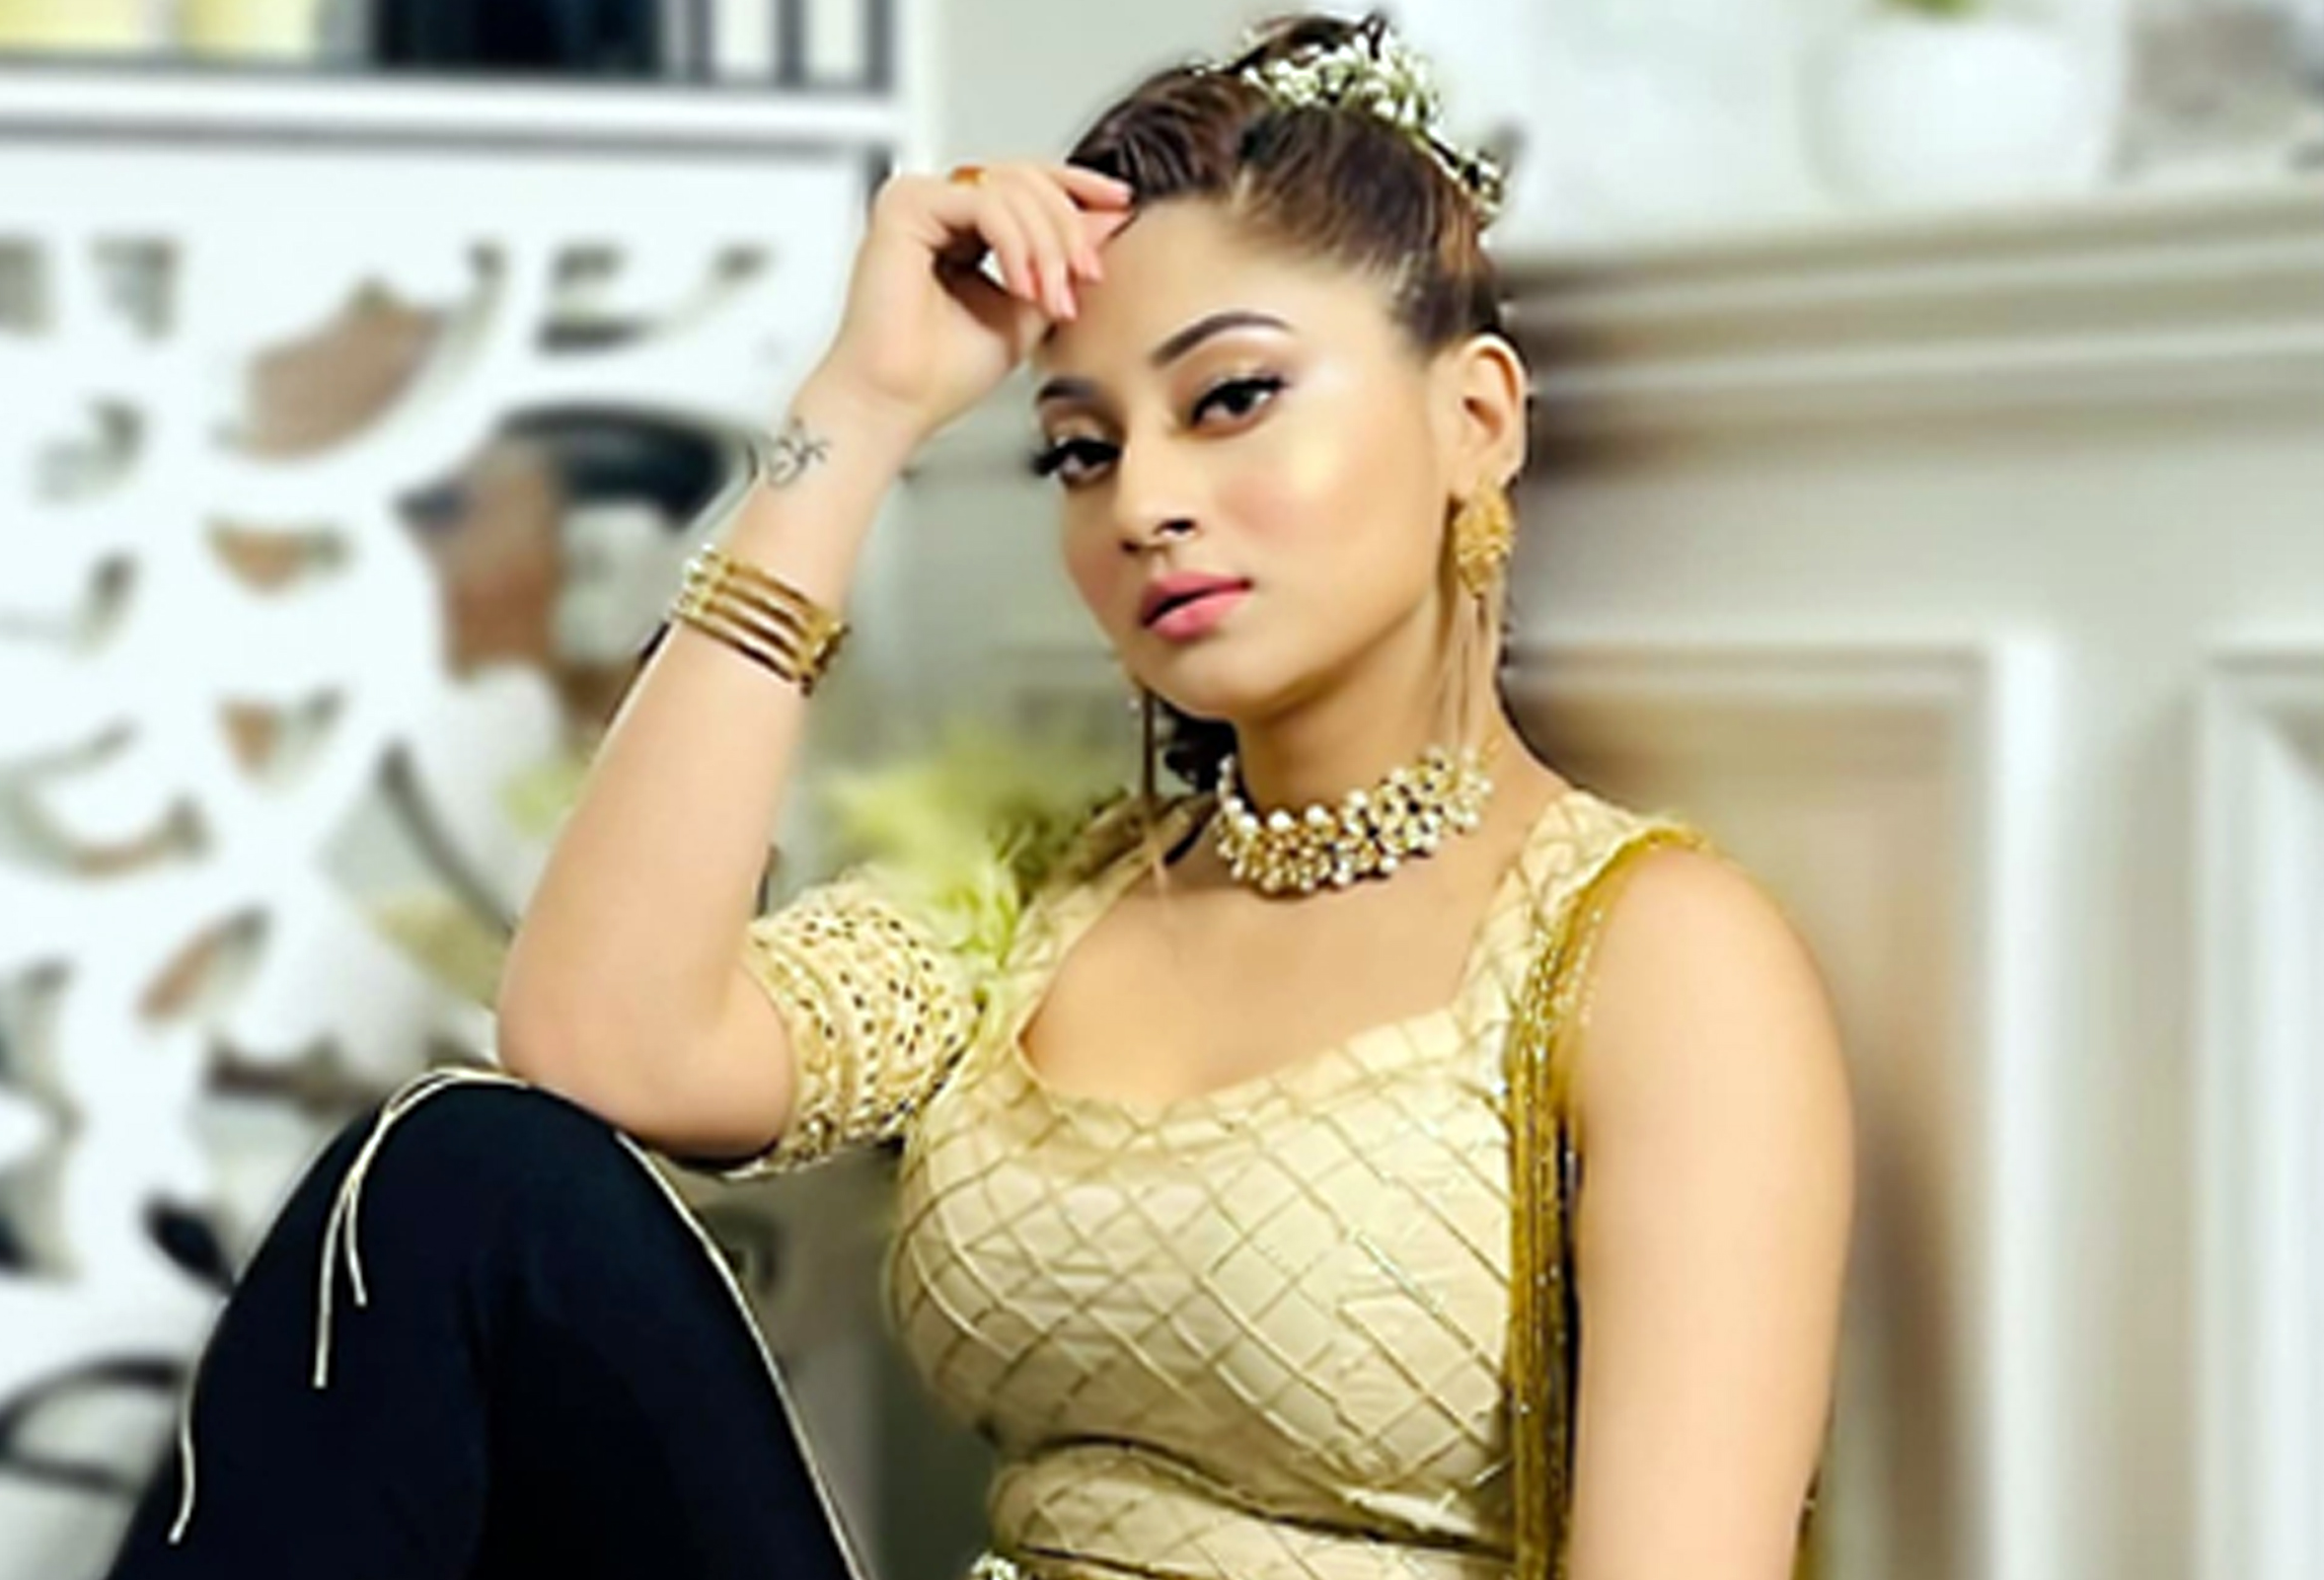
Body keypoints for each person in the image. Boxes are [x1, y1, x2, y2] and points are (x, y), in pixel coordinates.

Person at [97, 14, 1852, 1580]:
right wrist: (856, 416)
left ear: (1477, 417)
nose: (1144, 501)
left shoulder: (1654, 958)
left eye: (1233, 398)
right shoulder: (1046, 898)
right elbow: (597, 1041)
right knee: (457, 1176)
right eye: (1083, 449)